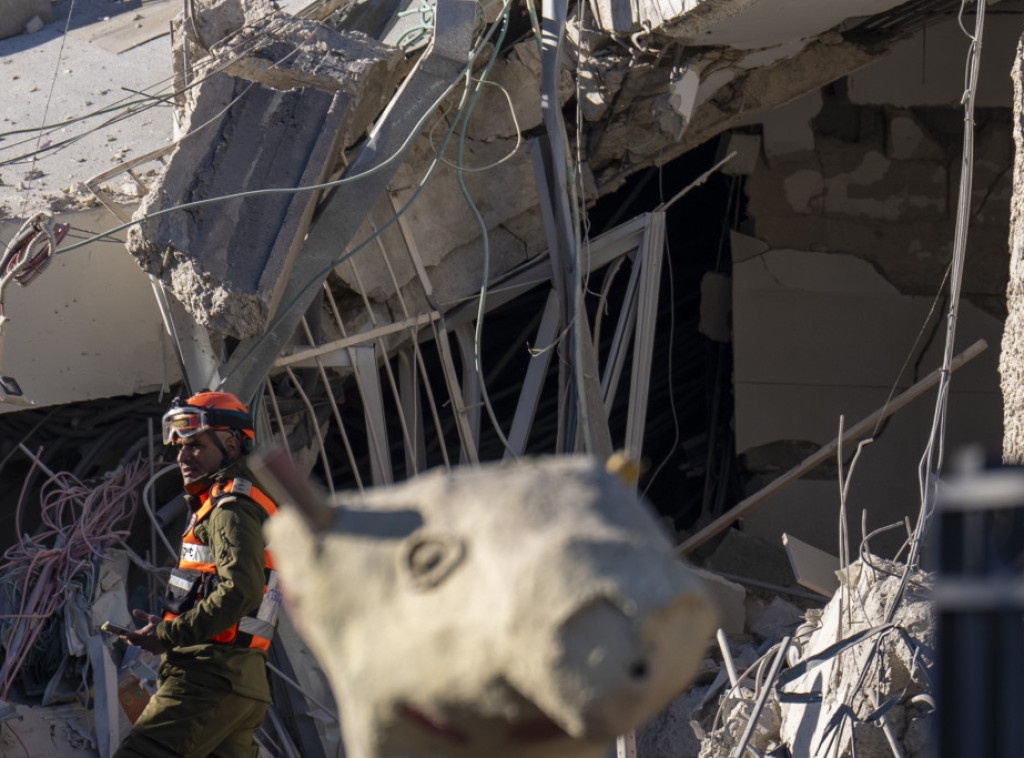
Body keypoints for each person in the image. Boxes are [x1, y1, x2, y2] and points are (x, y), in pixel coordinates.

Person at [114, 391, 281, 758]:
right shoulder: (239, 502)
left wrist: (169, 633)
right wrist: (175, 621)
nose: (183, 457)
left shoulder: (230, 507)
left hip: (207, 680)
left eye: (196, 446)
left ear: (232, 446)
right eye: (179, 447)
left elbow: (241, 591)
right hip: (237, 681)